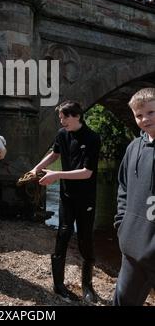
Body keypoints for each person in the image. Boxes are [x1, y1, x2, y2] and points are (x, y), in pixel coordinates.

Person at [30, 101, 101, 302]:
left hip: (86, 198)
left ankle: (87, 286)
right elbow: (54, 154)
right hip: (66, 196)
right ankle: (58, 285)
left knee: (85, 239)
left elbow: (87, 173)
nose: (61, 122)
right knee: (62, 234)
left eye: (64, 118)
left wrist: (56, 175)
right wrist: (36, 168)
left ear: (77, 116)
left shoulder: (93, 138)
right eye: (60, 118)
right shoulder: (62, 134)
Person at [113, 88, 155, 306]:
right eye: (139, 115)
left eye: (151, 112)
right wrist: (123, 225)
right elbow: (123, 189)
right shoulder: (133, 148)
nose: (145, 119)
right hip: (133, 249)